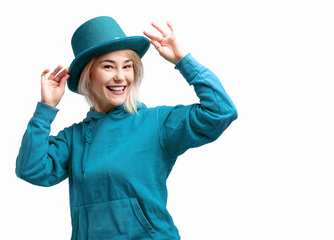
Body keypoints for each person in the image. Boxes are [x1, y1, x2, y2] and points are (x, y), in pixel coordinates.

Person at [16, 16, 238, 240]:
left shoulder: (157, 122)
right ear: (88, 75)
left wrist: (184, 61)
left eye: (127, 66)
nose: (120, 76)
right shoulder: (74, 138)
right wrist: (45, 110)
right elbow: (31, 170)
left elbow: (220, 112)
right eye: (108, 66)